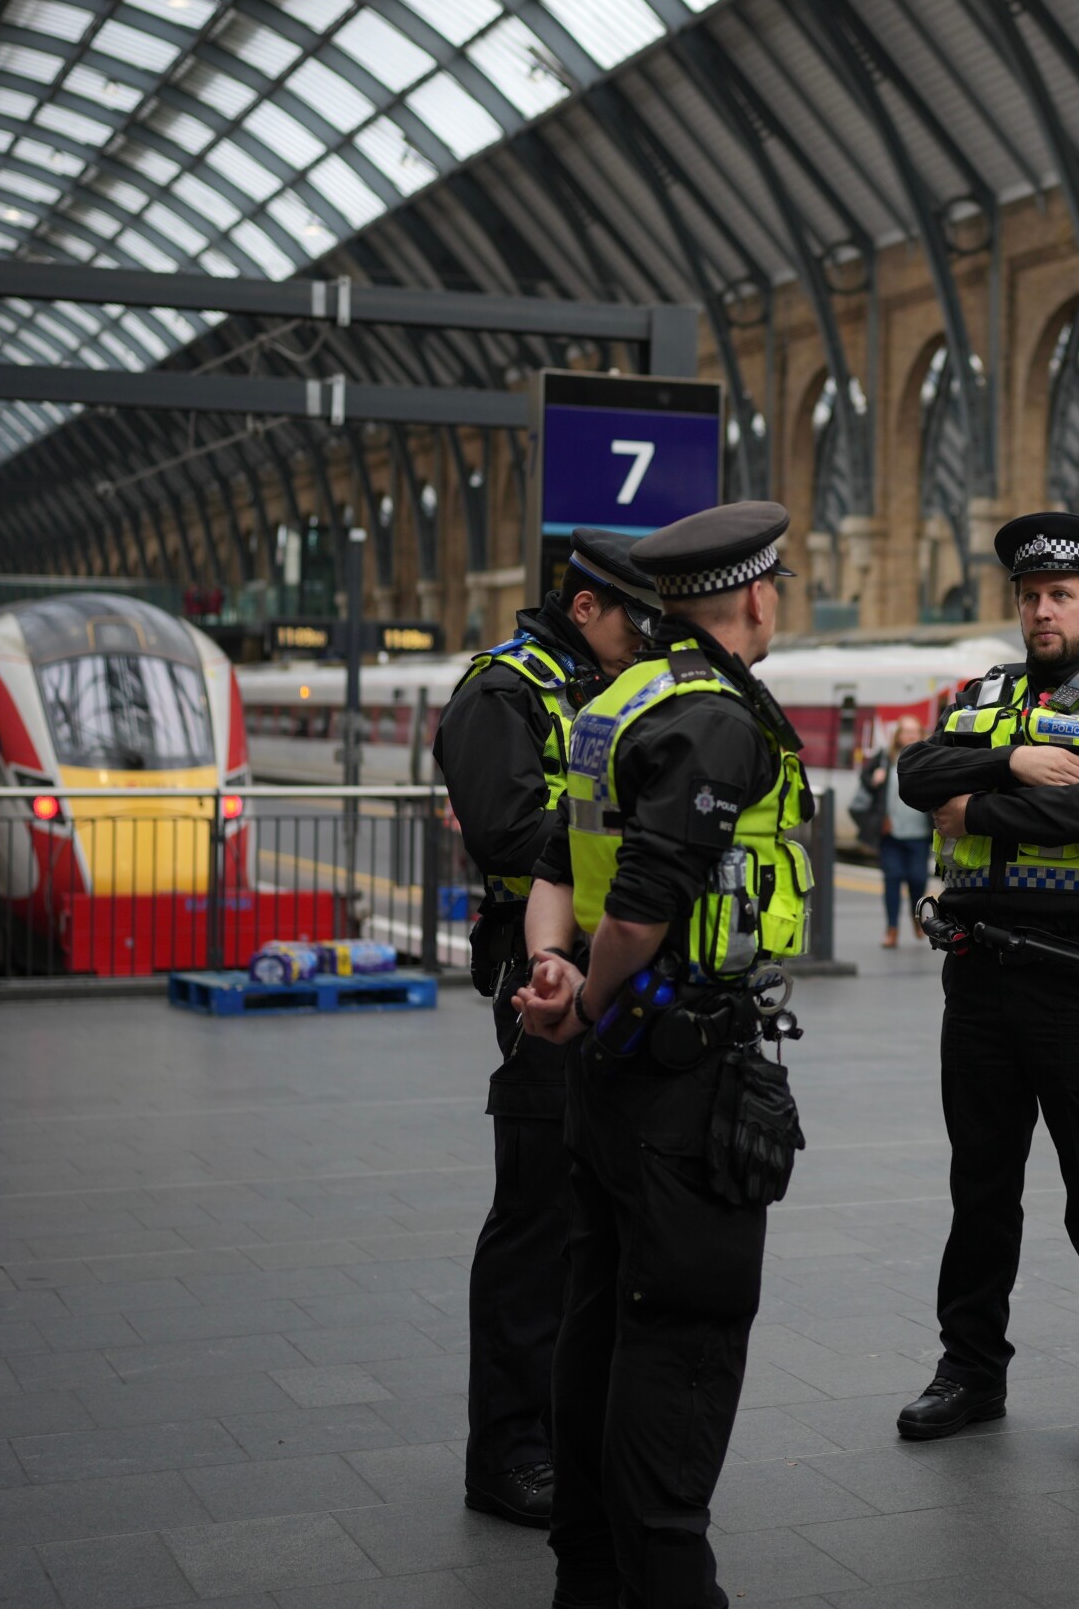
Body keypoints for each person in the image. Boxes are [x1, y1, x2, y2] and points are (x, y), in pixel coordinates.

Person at [512, 502, 812, 1609]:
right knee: (683, 1327)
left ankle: (586, 1578)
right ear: (751, 597)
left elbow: (558, 862)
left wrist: (551, 975)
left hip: (609, 1081)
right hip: (680, 1071)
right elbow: (640, 909)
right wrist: (589, 999)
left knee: (597, 1309)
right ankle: (670, 1580)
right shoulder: (714, 718)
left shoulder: (615, 699)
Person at [891, 512, 1079, 1467]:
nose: (1041, 610)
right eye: (1029, 595)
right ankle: (970, 1371)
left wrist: (975, 805)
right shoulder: (983, 693)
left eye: (1060, 596)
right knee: (982, 1188)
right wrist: (1008, 760)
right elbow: (913, 773)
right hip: (977, 972)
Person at [433, 529, 657, 1529]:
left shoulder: (625, 688)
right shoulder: (503, 692)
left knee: (600, 1223)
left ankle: (576, 1432)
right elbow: (508, 829)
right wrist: (639, 845)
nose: (651, 638)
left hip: (615, 976)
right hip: (542, 979)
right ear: (584, 608)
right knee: (535, 1224)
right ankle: (508, 1453)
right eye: (635, 618)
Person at [860, 717, 933, 947]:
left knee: (918, 878)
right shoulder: (885, 757)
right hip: (890, 833)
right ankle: (891, 929)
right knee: (892, 880)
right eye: (906, 731)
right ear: (898, 734)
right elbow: (866, 780)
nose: (911, 736)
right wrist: (874, 780)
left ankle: (917, 918)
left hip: (919, 833)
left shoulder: (930, 757)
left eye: (915, 731)